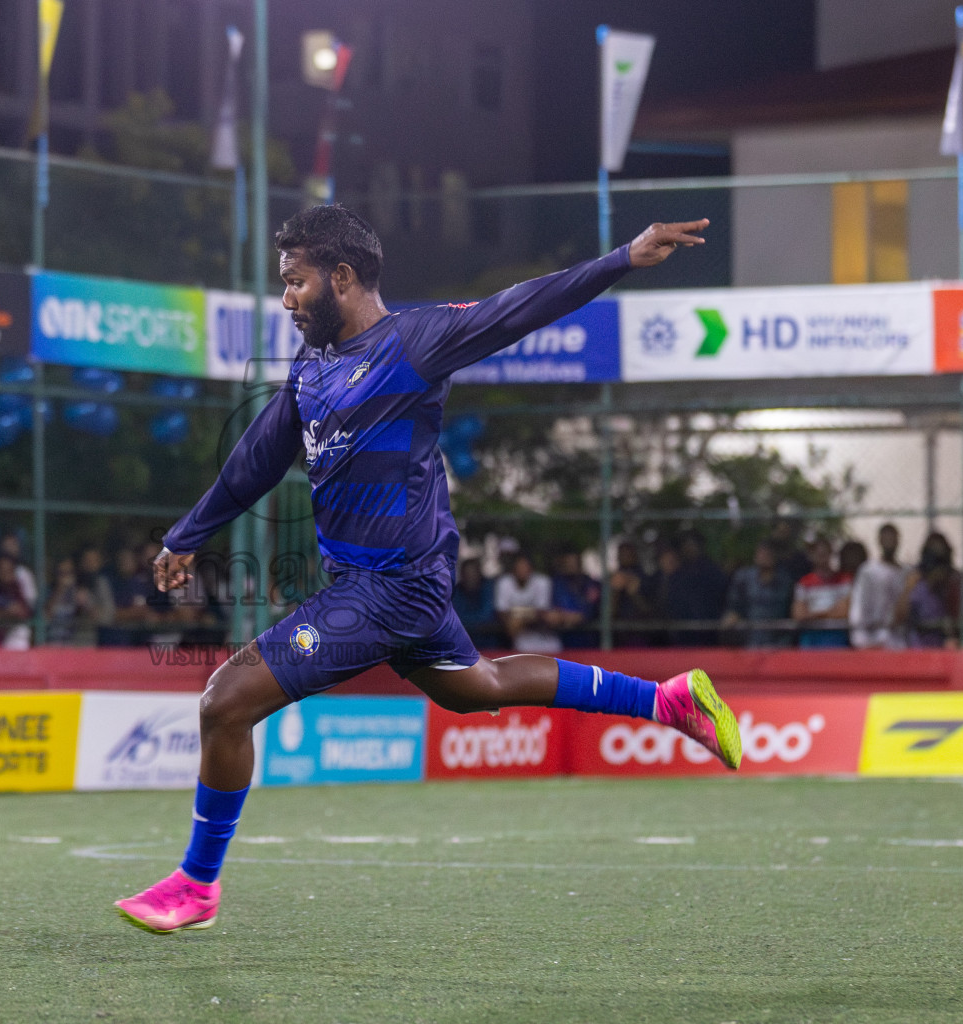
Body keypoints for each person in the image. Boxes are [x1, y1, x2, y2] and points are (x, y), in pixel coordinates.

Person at [114, 205, 739, 935]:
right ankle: (667, 702)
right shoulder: (311, 365)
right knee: (481, 688)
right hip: (384, 585)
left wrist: (621, 259)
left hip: (391, 589)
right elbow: (258, 456)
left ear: (340, 278)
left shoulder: (417, 339)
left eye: (295, 281)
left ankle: (196, 885)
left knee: (225, 701)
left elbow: (519, 308)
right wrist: (189, 535)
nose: (286, 298)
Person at [723, 540, 794, 649]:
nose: (765, 556)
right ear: (755, 556)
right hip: (749, 642)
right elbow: (734, 606)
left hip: (778, 644)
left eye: (769, 554)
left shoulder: (786, 581)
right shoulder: (743, 578)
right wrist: (732, 616)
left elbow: (791, 611)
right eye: (762, 553)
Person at [849, 524, 906, 650]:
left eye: (892, 537)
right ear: (879, 540)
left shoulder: (905, 572)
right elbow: (859, 607)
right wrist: (861, 640)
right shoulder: (868, 571)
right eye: (886, 537)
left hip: (897, 643)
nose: (889, 541)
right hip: (872, 640)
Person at [792, 536, 853, 648]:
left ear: (830, 554)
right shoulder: (804, 583)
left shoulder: (844, 580)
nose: (822, 557)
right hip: (811, 639)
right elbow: (799, 614)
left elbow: (844, 612)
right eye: (818, 554)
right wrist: (830, 613)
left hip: (836, 638)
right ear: (812, 556)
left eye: (825, 553)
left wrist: (813, 615)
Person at [493, 553, 556, 652]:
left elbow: (542, 612)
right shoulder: (504, 583)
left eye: (525, 566)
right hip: (518, 636)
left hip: (542, 634)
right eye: (519, 567)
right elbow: (502, 613)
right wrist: (530, 614)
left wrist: (517, 616)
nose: (522, 570)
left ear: (531, 568)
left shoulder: (542, 581)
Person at [451, 558, 501, 648]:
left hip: (489, 646)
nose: (471, 577)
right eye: (467, 574)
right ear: (462, 575)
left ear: (480, 574)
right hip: (463, 646)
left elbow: (487, 616)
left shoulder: (488, 588)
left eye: (473, 573)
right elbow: (456, 618)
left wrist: (467, 625)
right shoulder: (456, 592)